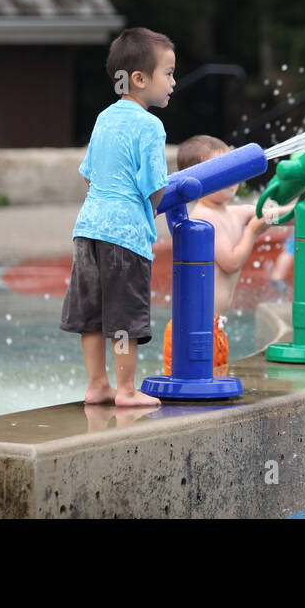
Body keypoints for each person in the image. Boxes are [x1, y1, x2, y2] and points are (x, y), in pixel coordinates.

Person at [61, 27, 174, 406]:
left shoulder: (104, 118)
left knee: (91, 314)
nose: (174, 82)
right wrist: (173, 207)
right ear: (140, 79)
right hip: (124, 235)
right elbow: (156, 186)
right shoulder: (150, 125)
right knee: (124, 315)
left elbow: (90, 173)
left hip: (87, 229)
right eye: (169, 73)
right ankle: (126, 390)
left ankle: (97, 386)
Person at [162, 134, 273, 373]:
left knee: (213, 388)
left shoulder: (235, 213)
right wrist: (253, 231)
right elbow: (231, 262)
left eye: (231, 170)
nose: (230, 179)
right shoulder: (204, 217)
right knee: (194, 389)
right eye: (221, 173)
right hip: (194, 331)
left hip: (214, 328)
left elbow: (275, 214)